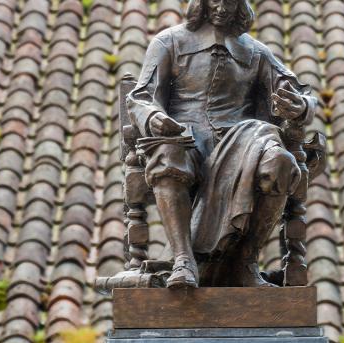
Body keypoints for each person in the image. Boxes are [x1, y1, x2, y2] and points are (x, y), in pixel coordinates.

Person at [126, 0, 316, 288]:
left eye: (230, 1)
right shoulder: (169, 42)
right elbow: (141, 98)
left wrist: (300, 106)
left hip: (243, 139)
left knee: (281, 163)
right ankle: (183, 261)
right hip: (184, 138)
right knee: (168, 154)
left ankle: (245, 263)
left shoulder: (255, 52)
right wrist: (154, 118)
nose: (222, 7)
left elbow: (299, 93)